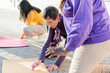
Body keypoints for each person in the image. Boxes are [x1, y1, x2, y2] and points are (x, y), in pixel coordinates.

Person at [45, 0, 110, 73]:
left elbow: (83, 23)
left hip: (96, 38)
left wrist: (66, 49)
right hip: (88, 37)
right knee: (87, 68)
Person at [32, 6, 67, 72]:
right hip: (66, 34)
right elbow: (47, 42)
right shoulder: (51, 25)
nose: (49, 25)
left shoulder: (67, 22)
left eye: (50, 22)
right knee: (49, 53)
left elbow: (67, 47)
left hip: (80, 38)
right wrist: (40, 60)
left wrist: (57, 64)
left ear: (57, 18)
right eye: (47, 22)